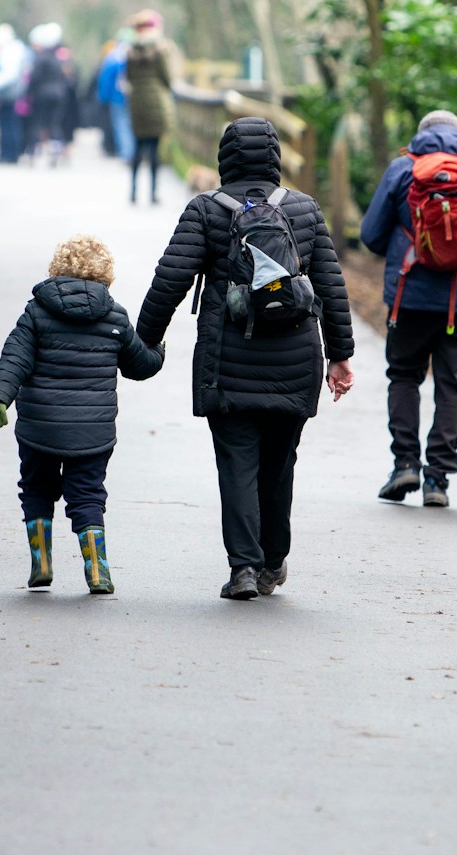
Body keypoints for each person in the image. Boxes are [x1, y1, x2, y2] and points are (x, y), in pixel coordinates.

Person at [137, 118, 355, 600]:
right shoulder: (303, 209)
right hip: (296, 362)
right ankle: (273, 561)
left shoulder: (207, 210)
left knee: (236, 463)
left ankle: (243, 568)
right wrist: (340, 354)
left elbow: (169, 279)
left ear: (225, 158)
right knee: (280, 463)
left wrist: (144, 341)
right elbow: (332, 286)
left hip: (227, 360)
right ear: (275, 157)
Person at [0, 236, 165, 594]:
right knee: (87, 496)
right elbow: (139, 366)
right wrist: (158, 349)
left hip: (41, 429)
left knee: (36, 489)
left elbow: (14, 359)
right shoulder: (114, 316)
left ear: (57, 269)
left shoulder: (36, 312)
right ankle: (97, 569)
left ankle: (42, 563)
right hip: (92, 433)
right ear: (105, 274)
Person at [359, 108, 457, 509]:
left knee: (404, 377)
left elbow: (371, 236)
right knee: (452, 385)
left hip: (408, 298)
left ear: (420, 135)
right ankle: (438, 480)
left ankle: (405, 464)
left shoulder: (401, 170)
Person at [122, 9, 180, 203]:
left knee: (138, 146)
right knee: (154, 148)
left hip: (137, 102)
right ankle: (154, 192)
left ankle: (133, 190)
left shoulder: (130, 50)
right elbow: (168, 77)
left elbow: (128, 77)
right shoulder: (161, 48)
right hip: (157, 101)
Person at [24, 22, 79, 166]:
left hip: (42, 95)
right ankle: (55, 151)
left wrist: (28, 92)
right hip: (59, 95)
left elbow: (34, 77)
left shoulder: (41, 57)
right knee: (55, 124)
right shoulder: (59, 58)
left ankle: (33, 152)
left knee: (38, 123)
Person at [0, 23, 32, 164]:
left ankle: (8, 154)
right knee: (11, 123)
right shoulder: (16, 50)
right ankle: (10, 154)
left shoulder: (8, 53)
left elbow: (9, 75)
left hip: (8, 94)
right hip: (12, 94)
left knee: (8, 124)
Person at [92, 31, 134, 161]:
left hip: (117, 98)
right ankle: (131, 151)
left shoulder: (114, 57)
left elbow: (105, 80)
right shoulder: (134, 55)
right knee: (130, 124)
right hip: (133, 97)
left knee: (121, 124)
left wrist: (103, 97)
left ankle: (126, 152)